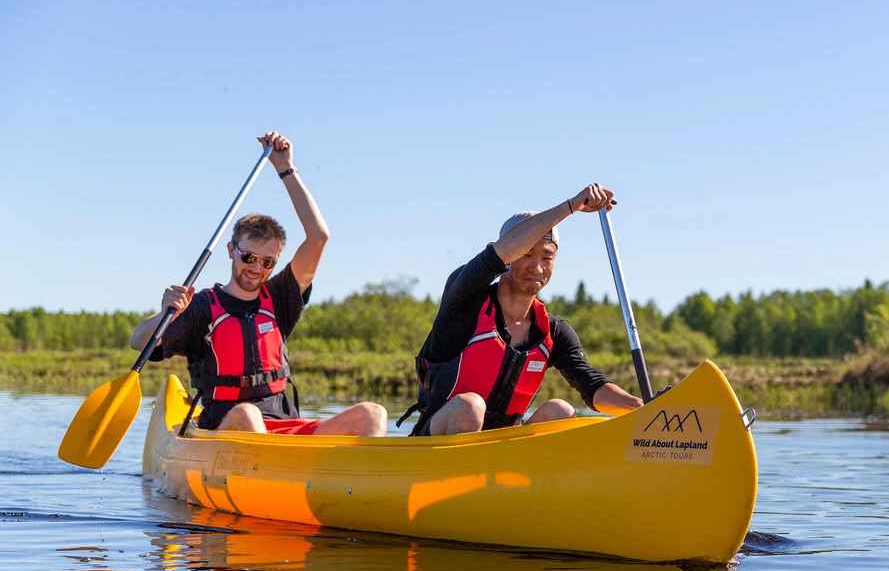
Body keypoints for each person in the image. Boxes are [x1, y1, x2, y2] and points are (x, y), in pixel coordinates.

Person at [130, 131, 388, 436]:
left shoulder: (279, 298)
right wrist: (165, 313)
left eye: (268, 262)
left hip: (282, 428)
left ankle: (352, 480)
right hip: (226, 428)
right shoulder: (200, 306)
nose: (257, 268)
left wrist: (286, 169)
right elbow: (139, 340)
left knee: (372, 414)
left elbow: (319, 236)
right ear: (231, 250)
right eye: (249, 257)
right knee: (248, 415)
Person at [402, 184, 644, 436]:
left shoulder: (553, 331)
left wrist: (642, 407)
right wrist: (572, 206)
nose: (537, 267)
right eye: (527, 254)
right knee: (470, 406)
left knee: (559, 411)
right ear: (510, 256)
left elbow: (593, 387)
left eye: (547, 257)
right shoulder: (465, 299)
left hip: (502, 449)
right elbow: (498, 254)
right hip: (434, 444)